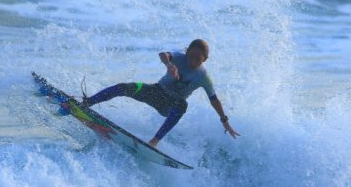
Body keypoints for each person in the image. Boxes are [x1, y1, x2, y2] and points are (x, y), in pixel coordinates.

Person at [82, 39, 240, 148]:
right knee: (126, 86)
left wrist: (224, 120)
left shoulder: (203, 77)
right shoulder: (179, 57)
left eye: (197, 59)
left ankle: (154, 141)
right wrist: (169, 64)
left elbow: (214, 99)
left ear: (205, 59)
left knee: (182, 105)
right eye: (190, 56)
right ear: (187, 52)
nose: (192, 61)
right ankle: (87, 103)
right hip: (156, 91)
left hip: (170, 105)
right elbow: (163, 54)